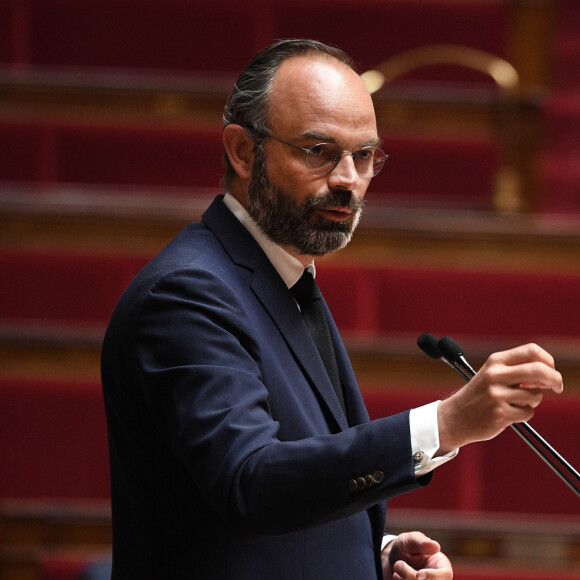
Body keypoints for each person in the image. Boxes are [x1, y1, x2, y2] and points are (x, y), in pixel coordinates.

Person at [101, 39, 563, 580]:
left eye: (364, 155)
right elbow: (249, 484)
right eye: (318, 151)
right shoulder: (188, 292)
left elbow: (282, 484)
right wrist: (447, 423)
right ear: (243, 151)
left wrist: (373, 551)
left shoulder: (282, 276)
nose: (347, 178)